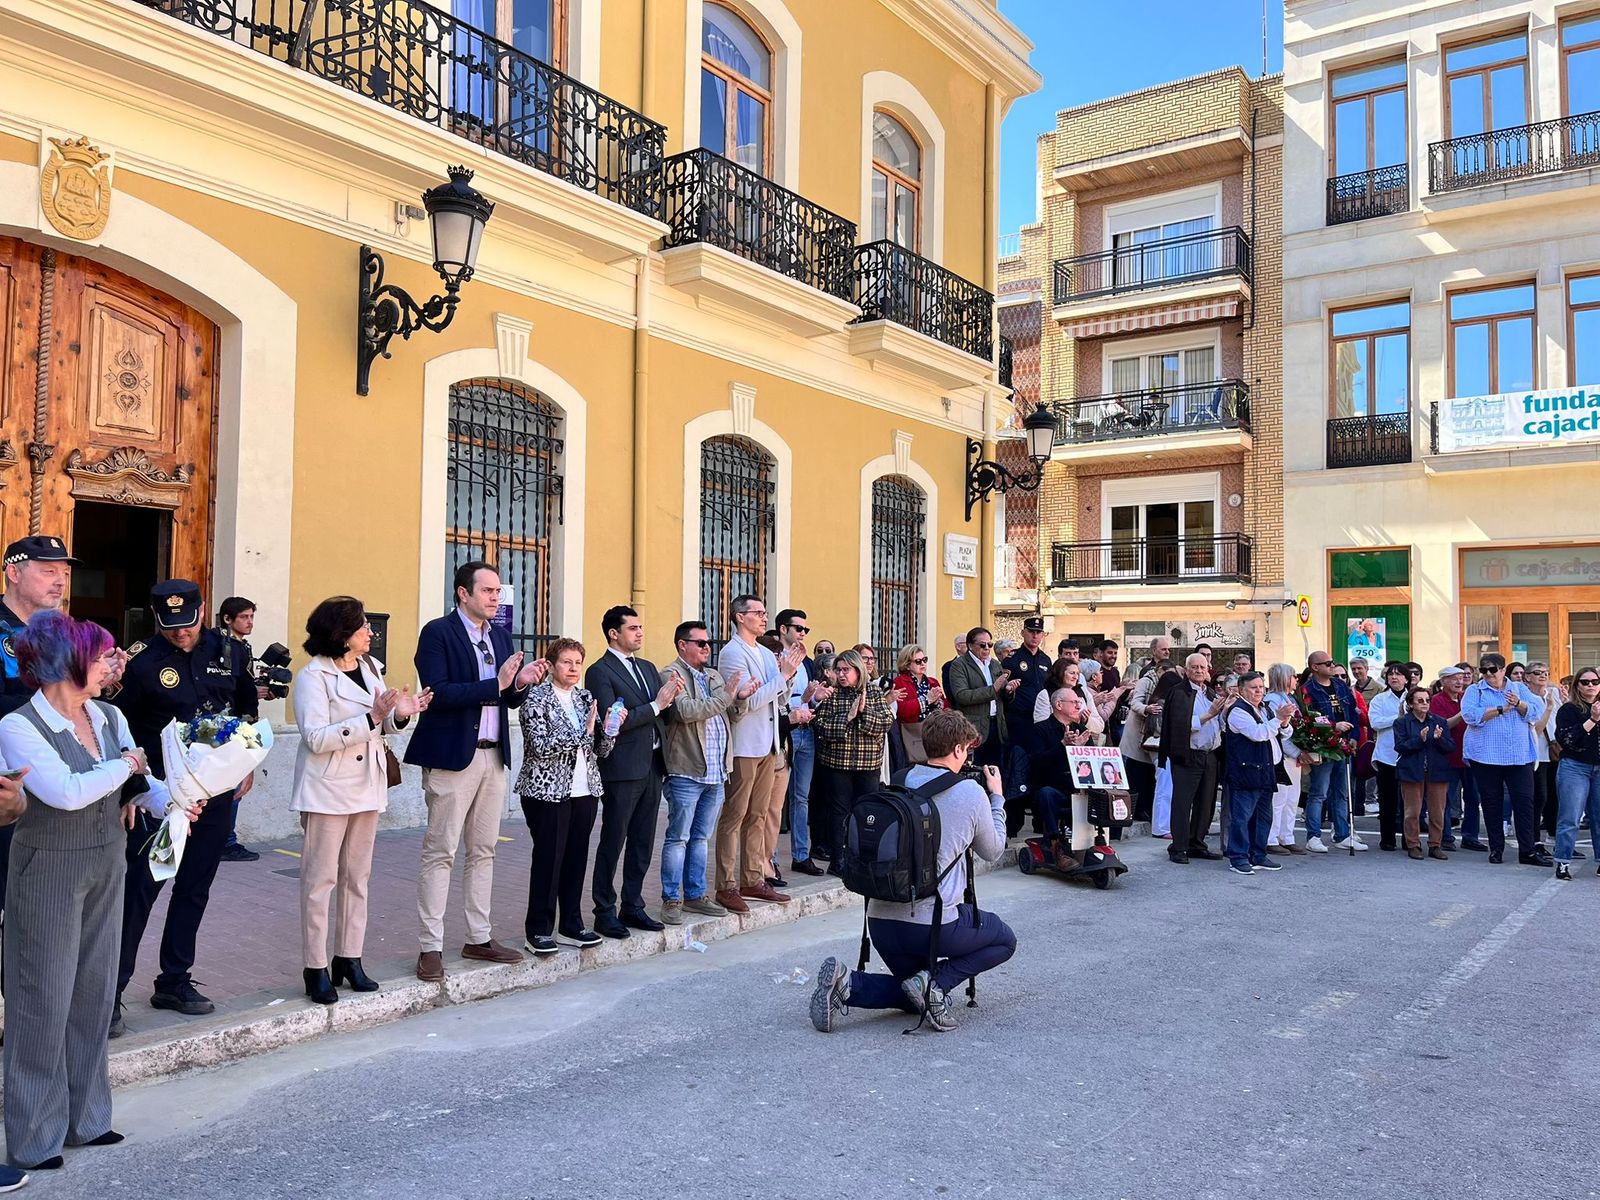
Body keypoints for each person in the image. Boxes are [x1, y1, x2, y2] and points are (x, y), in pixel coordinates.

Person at [0, 611, 175, 1176]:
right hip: (48, 869)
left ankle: (88, 1118)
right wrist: (128, 764)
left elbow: (138, 785)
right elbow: (68, 792)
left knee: (94, 993)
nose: (113, 664)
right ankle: (34, 1136)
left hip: (106, 863)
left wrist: (177, 795)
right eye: (103, 656)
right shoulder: (19, 726)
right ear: (67, 661)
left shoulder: (109, 714)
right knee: (41, 999)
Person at [809, 710, 1014, 1035]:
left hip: (881, 923)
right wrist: (997, 798)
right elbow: (993, 850)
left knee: (912, 993)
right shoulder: (971, 793)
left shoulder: (899, 780)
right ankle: (935, 984)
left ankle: (848, 983)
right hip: (932, 925)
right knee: (1004, 940)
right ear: (960, 750)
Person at [114, 580, 259, 1026]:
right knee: (141, 890)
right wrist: (134, 791)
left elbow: (245, 707)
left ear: (203, 613)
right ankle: (110, 990)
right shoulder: (140, 663)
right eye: (170, 626)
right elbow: (123, 730)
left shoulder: (230, 651)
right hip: (164, 800)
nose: (181, 633)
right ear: (157, 621)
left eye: (188, 623)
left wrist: (247, 762)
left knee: (195, 886)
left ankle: (174, 979)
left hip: (214, 796)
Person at [405, 561, 545, 982]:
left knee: (484, 851)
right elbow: (439, 693)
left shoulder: (501, 636)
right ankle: (430, 946)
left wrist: (521, 683)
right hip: (452, 757)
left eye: (497, 591)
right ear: (463, 594)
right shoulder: (437, 633)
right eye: (486, 591)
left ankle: (478, 937)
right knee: (441, 852)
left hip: (492, 756)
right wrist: (498, 685)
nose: (495, 597)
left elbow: (509, 701)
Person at [291, 597, 430, 1002]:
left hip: (367, 784)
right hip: (328, 788)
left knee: (358, 878)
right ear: (341, 633)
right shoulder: (313, 676)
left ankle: (349, 958)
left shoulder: (369, 668)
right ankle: (314, 966)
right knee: (320, 881)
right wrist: (371, 718)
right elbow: (315, 738)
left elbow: (383, 721)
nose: (371, 632)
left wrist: (402, 713)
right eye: (363, 626)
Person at [0, 535, 80, 936]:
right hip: (7, 788)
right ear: (13, 572)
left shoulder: (62, 634)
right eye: (48, 571)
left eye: (64, 573)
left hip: (55, 792)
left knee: (36, 914)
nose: (60, 581)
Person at [585, 605, 681, 938]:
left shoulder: (648, 667)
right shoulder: (600, 671)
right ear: (614, 633)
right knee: (614, 839)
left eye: (641, 627)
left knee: (642, 841)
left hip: (653, 765)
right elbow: (614, 723)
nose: (640, 633)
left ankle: (633, 905)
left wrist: (670, 701)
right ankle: (604, 910)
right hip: (622, 768)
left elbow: (660, 714)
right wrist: (657, 704)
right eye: (633, 628)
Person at [515, 638, 614, 954]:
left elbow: (599, 750)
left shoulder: (586, 698)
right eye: (566, 662)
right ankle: (539, 930)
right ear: (552, 665)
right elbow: (540, 746)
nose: (573, 669)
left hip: (584, 789)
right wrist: (580, 734)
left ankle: (571, 924)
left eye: (577, 663)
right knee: (548, 859)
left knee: (575, 859)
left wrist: (609, 731)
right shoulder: (535, 699)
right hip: (547, 791)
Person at [658, 622, 752, 924]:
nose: (706, 648)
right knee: (678, 838)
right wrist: (726, 696)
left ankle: (696, 896)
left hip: (716, 772)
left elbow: (731, 715)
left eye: (708, 643)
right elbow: (685, 713)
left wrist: (740, 697)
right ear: (682, 645)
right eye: (699, 643)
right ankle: (671, 899)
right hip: (686, 771)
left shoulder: (712, 675)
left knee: (700, 839)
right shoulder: (670, 674)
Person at [713, 596, 802, 913]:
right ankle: (726, 885)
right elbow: (745, 702)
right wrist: (781, 677)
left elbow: (778, 701)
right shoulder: (731, 653)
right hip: (745, 745)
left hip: (770, 742)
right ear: (739, 617)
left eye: (765, 613)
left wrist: (788, 677)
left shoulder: (765, 653)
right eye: (758, 613)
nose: (764, 617)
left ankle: (753, 878)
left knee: (760, 815)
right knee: (735, 815)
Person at [1461, 653, 1551, 867]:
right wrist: (1500, 709)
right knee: (1492, 803)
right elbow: (1470, 715)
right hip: (1486, 756)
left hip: (1519, 757)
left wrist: (1518, 704)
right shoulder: (1475, 691)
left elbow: (1536, 711)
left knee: (1524, 803)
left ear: (1503, 670)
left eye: (1493, 670)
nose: (1489, 674)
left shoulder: (1519, 689)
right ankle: (1496, 849)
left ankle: (1527, 851)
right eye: (1484, 670)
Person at [814, 650, 896, 876]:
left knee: (866, 812)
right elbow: (820, 726)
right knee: (839, 812)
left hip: (868, 764)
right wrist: (847, 718)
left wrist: (863, 713)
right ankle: (838, 860)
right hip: (837, 763)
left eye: (845, 670)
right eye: (838, 670)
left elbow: (886, 722)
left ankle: (864, 857)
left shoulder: (874, 692)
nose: (841, 675)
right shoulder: (833, 694)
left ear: (858, 670)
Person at [1158, 653, 1227, 863]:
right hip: (1187, 754)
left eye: (1202, 667)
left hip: (1210, 755)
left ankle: (1196, 843)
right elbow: (1181, 725)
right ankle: (1178, 847)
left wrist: (1225, 709)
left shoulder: (1210, 692)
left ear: (1208, 670)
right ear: (1186, 670)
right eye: (1194, 667)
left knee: (1205, 803)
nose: (1198, 671)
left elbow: (1220, 724)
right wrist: (1210, 714)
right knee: (1182, 802)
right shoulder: (1179, 692)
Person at [1223, 671, 1292, 876]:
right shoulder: (1238, 711)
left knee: (1264, 817)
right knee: (1242, 817)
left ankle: (1258, 854)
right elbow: (1258, 734)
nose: (1259, 691)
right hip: (1246, 771)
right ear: (1242, 690)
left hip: (1266, 770)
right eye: (1254, 688)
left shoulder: (1265, 709)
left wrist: (1285, 721)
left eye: (1261, 687)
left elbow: (1284, 734)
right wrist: (1278, 719)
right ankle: (1238, 857)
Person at [1298, 650, 1365, 853]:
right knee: (1319, 792)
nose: (1332, 666)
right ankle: (1314, 835)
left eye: (1332, 662)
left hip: (1344, 744)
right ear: (1315, 667)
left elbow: (1353, 711)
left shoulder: (1341, 686)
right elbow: (1309, 718)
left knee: (1342, 792)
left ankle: (1342, 834)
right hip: (1324, 744)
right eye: (1327, 663)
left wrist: (1353, 737)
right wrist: (1334, 726)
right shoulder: (1307, 690)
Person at [215, 595, 264, 863]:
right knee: (233, 783)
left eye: (251, 617)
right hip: (230, 725)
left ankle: (225, 838)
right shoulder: (222, 647)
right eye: (244, 617)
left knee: (235, 783)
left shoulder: (241, 647)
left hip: (243, 721)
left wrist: (257, 692)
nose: (249, 622)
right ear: (227, 619)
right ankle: (226, 841)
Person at [774, 609, 822, 875]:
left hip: (806, 730)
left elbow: (803, 698)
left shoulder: (806, 661)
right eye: (798, 629)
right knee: (776, 799)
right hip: (786, 731)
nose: (802, 634)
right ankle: (770, 861)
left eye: (806, 630)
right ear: (784, 629)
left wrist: (813, 696)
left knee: (801, 797)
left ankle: (801, 855)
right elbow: (776, 696)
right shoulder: (773, 658)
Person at [1027, 688, 1094, 869]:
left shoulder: (1081, 730)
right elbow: (1037, 763)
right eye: (1074, 703)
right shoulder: (1040, 730)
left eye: (1079, 702)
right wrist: (1063, 745)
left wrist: (1079, 751)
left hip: (1077, 787)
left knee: (1102, 794)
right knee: (1046, 794)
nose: (1078, 706)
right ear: (1058, 705)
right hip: (1051, 786)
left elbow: (1091, 766)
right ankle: (1056, 848)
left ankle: (1097, 844)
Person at [1393, 686, 1454, 860]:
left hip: (1437, 772)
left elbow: (1450, 747)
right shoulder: (1402, 722)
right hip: (1412, 771)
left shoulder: (1439, 721)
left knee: (1437, 812)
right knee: (1412, 811)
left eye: (1427, 700)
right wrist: (1419, 739)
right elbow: (1400, 747)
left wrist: (1439, 739)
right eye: (1420, 701)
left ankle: (1435, 845)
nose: (1425, 704)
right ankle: (1413, 845)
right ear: (1411, 704)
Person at [1553, 668, 1600, 881]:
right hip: (1575, 767)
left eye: (1594, 681)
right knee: (1570, 817)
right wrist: (1593, 719)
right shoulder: (1569, 710)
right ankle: (1563, 862)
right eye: (1585, 682)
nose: (1590, 685)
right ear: (1577, 686)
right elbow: (1567, 740)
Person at [946, 627, 1015, 768]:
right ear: (970, 646)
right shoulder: (959, 665)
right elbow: (961, 696)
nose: (986, 648)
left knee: (995, 769)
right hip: (974, 727)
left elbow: (1002, 694)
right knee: (973, 769)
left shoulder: (995, 664)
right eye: (982, 645)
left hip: (997, 725)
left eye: (989, 645)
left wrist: (1009, 690)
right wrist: (992, 690)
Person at [1001, 617, 1052, 794]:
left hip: (1041, 720)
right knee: (1018, 760)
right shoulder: (1012, 659)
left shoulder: (1046, 660)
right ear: (1023, 633)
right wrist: (1008, 691)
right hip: (1019, 719)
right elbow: (1001, 689)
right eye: (1031, 632)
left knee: (1038, 759)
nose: (1035, 636)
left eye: (1039, 633)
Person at [1366, 663, 1409, 851]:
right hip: (1386, 755)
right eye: (1391, 674)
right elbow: (1375, 723)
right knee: (1387, 800)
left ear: (1406, 679)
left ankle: (1410, 840)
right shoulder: (1380, 699)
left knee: (1410, 802)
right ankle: (1387, 839)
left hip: (1409, 755)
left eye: (1399, 675)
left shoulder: (1414, 698)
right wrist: (1398, 718)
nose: (1394, 678)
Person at [1432, 667, 1475, 851]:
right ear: (1443, 681)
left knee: (1473, 798)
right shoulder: (1436, 700)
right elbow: (1443, 725)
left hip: (1470, 756)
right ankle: (1445, 836)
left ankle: (1470, 837)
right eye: (1453, 679)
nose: (1459, 682)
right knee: (1446, 799)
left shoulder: (1468, 697)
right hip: (1447, 756)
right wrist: (1462, 713)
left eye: (1461, 678)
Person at [1264, 664, 1305, 854]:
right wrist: (1298, 752)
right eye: (1293, 676)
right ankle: (1271, 838)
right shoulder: (1272, 700)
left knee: (1292, 798)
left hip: (1293, 755)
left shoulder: (1289, 698)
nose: (1296, 679)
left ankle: (1286, 835)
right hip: (1283, 755)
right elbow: (1279, 733)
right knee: (1279, 798)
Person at [891, 643, 945, 765]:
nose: (923, 664)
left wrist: (938, 702)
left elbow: (946, 707)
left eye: (924, 660)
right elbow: (902, 711)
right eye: (918, 661)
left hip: (933, 732)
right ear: (907, 665)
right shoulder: (900, 682)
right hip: (911, 733)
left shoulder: (932, 682)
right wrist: (927, 700)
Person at [1525, 662, 1561, 843]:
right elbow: (1536, 730)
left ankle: (1555, 839)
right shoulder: (1526, 698)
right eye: (1537, 672)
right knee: (1539, 797)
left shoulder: (1553, 694)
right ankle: (1534, 840)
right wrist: (1547, 708)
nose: (1543, 675)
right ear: (1528, 677)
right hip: (1536, 754)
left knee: (1555, 797)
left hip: (1554, 751)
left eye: (1546, 672)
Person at [939, 634, 965, 698]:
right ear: (958, 646)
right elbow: (949, 692)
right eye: (967, 643)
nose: (971, 646)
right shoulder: (948, 667)